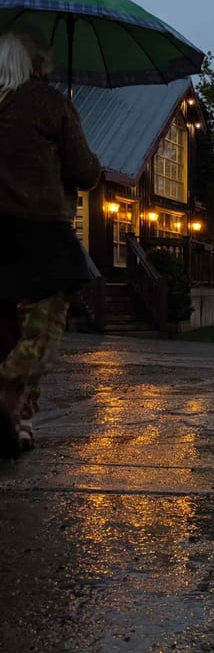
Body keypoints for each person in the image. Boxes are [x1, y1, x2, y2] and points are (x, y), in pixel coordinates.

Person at [0, 29, 101, 459]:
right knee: (42, 334)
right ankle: (6, 400)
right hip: (41, 237)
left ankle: (17, 421)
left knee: (6, 330)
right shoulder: (49, 103)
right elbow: (84, 171)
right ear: (37, 62)